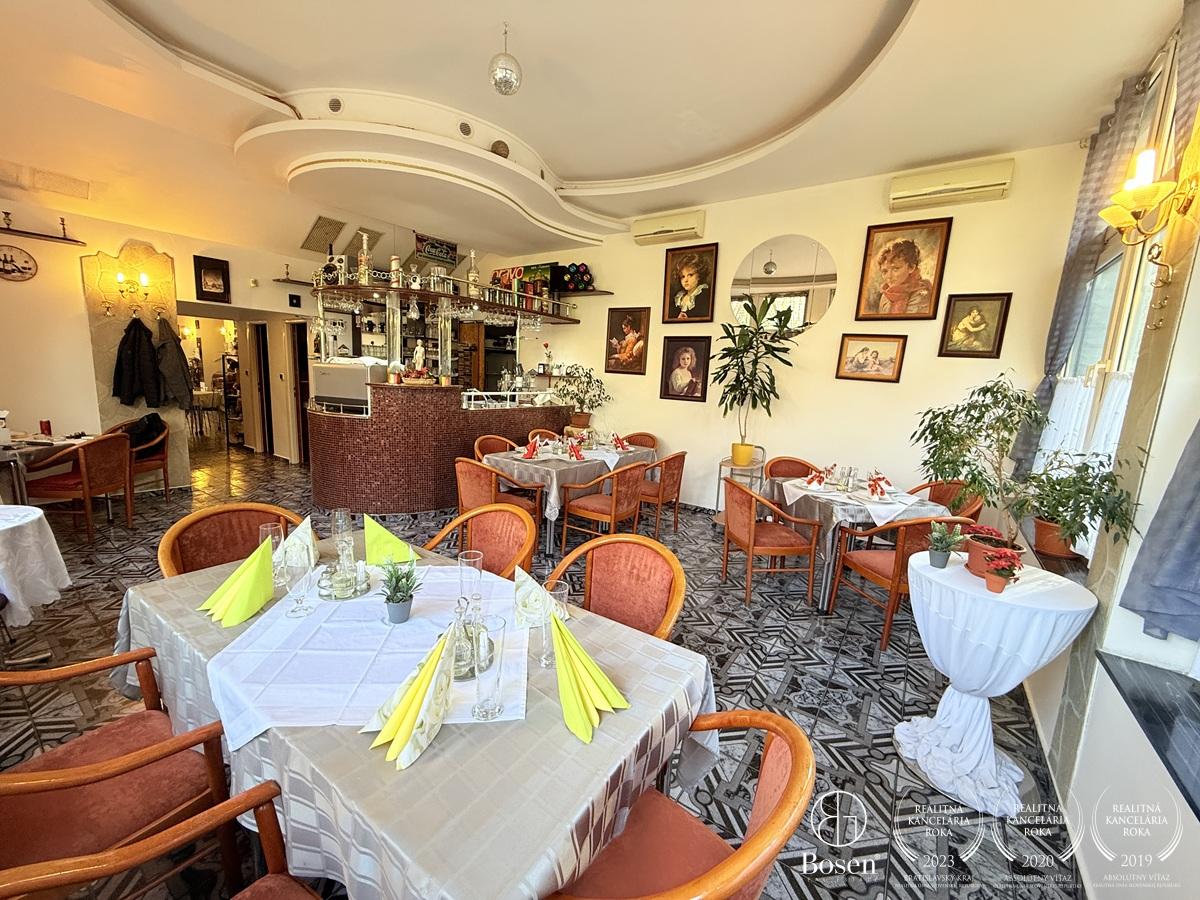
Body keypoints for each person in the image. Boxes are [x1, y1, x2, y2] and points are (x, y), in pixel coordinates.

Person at [872, 238, 934, 316]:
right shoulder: (886, 296)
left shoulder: (922, 295)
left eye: (895, 269)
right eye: (885, 271)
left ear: (911, 267)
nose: (889, 276)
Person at [671, 253, 711, 319]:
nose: (686, 280)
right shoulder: (678, 298)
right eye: (683, 276)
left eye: (690, 275)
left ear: (699, 276)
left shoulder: (704, 295)